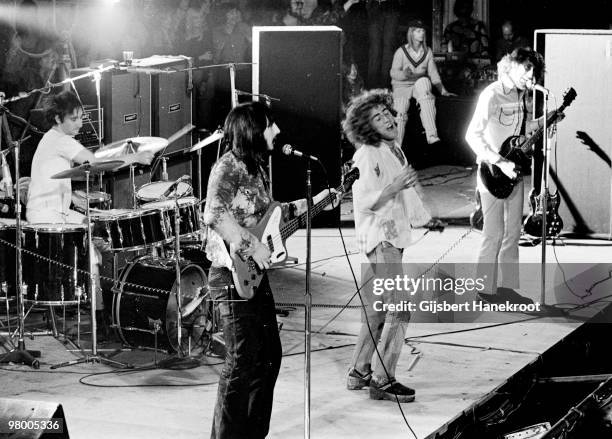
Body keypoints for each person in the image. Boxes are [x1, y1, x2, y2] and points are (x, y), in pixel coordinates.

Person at [203, 101, 339, 438]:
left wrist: (320, 201)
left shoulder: (256, 169)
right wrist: (251, 245)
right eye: (270, 125)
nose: (277, 131)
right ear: (253, 130)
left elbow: (275, 213)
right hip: (228, 276)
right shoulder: (228, 167)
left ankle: (252, 433)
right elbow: (214, 214)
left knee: (268, 356)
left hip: (253, 275)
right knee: (240, 360)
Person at [342, 89, 441, 403]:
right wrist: (393, 187)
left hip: (391, 238)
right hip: (380, 240)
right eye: (378, 118)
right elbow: (364, 201)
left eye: (387, 113)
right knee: (400, 309)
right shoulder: (367, 154)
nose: (387, 119)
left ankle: (359, 372)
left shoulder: (394, 149)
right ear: (367, 127)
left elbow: (407, 193)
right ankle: (383, 380)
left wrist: (425, 218)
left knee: (377, 311)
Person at [465, 48, 548, 305]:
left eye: (534, 70)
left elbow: (523, 130)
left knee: (513, 232)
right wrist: (499, 162)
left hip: (515, 170)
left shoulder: (523, 96)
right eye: (527, 69)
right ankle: (484, 291)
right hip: (492, 171)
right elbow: (472, 135)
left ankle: (507, 288)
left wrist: (546, 120)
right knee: (493, 232)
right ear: (511, 66)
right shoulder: (492, 94)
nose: (531, 75)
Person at [26, 90, 153, 224]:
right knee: (93, 229)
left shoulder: (51, 137)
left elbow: (52, 178)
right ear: (58, 118)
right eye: (74, 119)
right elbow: (97, 164)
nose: (80, 124)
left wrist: (71, 198)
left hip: (53, 210)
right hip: (45, 215)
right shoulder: (61, 140)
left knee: (90, 224)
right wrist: (136, 157)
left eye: (81, 117)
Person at [390, 18, 455, 147]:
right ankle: (396, 150)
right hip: (402, 86)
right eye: (418, 31)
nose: (422, 33)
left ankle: (431, 135)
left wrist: (443, 90)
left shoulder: (428, 52)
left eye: (423, 31)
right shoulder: (401, 51)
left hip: (417, 85)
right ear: (411, 33)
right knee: (401, 113)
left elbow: (433, 74)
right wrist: (404, 74)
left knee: (425, 82)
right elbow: (393, 73)